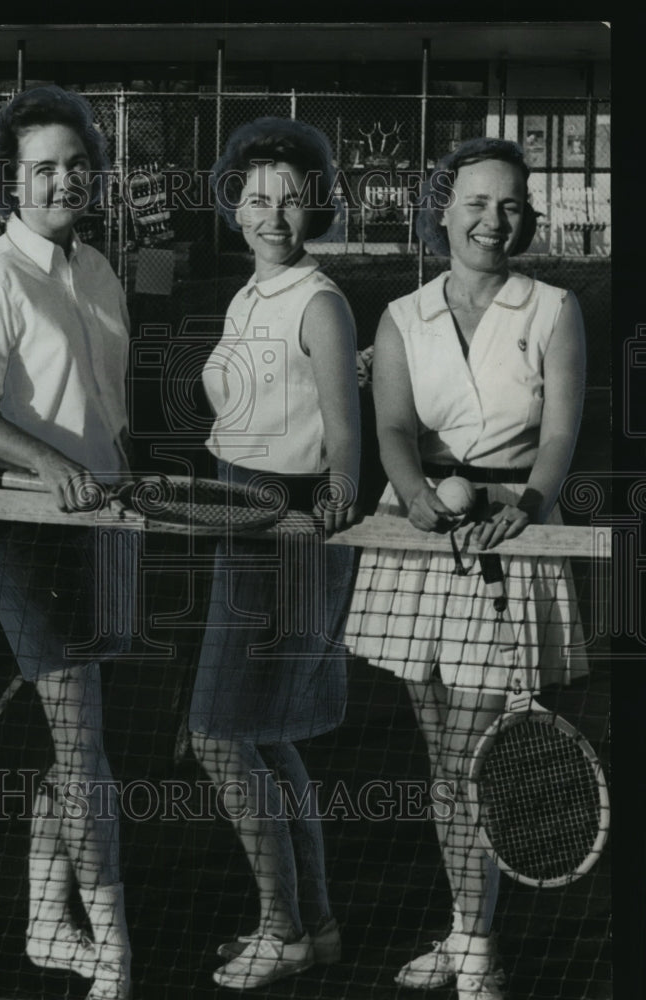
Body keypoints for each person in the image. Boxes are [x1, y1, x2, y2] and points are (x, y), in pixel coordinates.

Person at [346, 137, 587, 1000]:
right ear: (443, 210)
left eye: (512, 204)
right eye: (478, 203)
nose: (495, 219)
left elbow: (558, 434)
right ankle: (463, 925)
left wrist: (527, 504)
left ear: (527, 217)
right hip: (421, 544)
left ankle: (477, 952)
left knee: (468, 750)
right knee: (441, 756)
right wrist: (413, 498)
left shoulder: (554, 310)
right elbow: (396, 433)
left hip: (511, 542)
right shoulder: (402, 317)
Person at [0, 86, 134, 1000]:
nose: (64, 179)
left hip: (105, 526)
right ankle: (114, 947)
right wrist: (52, 466)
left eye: (74, 162)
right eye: (43, 167)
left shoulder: (97, 269)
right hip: (27, 530)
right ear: (9, 181)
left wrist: (119, 472)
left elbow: (104, 411)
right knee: (84, 737)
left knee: (80, 741)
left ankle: (46, 924)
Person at [188, 117, 361, 990]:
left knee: (217, 736)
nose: (273, 215)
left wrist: (316, 524)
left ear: (315, 208)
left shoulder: (320, 302)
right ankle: (315, 925)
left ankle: (282, 928)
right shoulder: (248, 295)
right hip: (235, 517)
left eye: (292, 200)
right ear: (234, 205)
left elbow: (344, 446)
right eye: (258, 198)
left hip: (281, 534)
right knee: (265, 736)